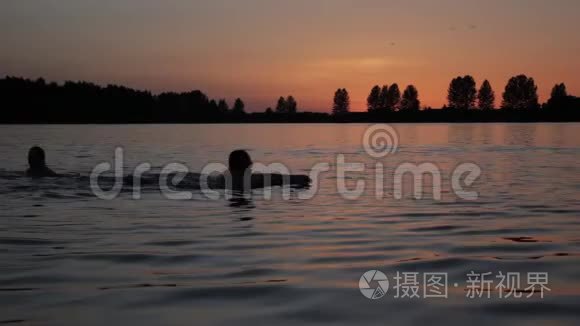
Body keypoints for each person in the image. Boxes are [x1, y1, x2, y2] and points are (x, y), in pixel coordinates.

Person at [224, 149, 310, 190]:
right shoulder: (254, 179)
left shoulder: (218, 180)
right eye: (249, 162)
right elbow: (302, 178)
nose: (251, 164)